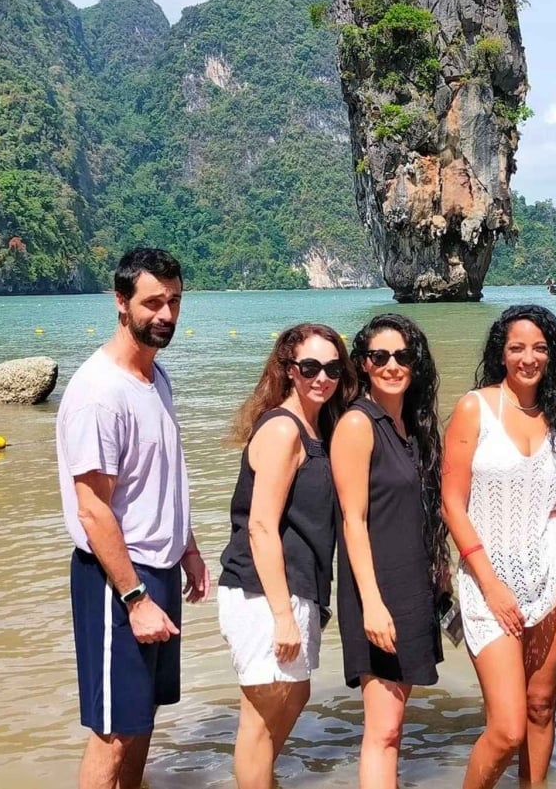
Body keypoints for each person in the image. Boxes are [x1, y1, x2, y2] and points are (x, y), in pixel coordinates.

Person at [56, 247, 211, 789]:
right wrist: (134, 597)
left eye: (174, 301)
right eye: (152, 303)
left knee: (141, 717)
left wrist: (186, 545)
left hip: (159, 567)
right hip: (116, 581)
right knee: (112, 730)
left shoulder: (154, 377)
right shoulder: (100, 395)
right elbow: (93, 508)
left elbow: (158, 476)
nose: (166, 314)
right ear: (120, 303)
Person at [442, 303, 556, 789]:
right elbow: (452, 502)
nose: (528, 357)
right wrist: (490, 585)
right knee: (508, 727)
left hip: (550, 576)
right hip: (487, 581)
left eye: (539, 348)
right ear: (502, 353)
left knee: (541, 707)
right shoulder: (476, 407)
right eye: (517, 348)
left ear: (553, 355)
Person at [217, 323, 357, 789]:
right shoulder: (283, 430)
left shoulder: (316, 429)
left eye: (333, 368)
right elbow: (260, 526)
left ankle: (258, 779)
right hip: (262, 592)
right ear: (289, 370)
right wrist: (282, 615)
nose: (322, 377)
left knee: (295, 693)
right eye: (311, 367)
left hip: (295, 588)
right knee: (260, 717)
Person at [332, 313, 450, 789]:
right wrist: (373, 604)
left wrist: (439, 570)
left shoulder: (408, 424)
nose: (392, 365)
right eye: (380, 357)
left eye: (402, 356)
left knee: (395, 724)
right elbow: (352, 520)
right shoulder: (359, 423)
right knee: (382, 730)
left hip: (410, 582)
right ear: (364, 364)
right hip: (377, 589)